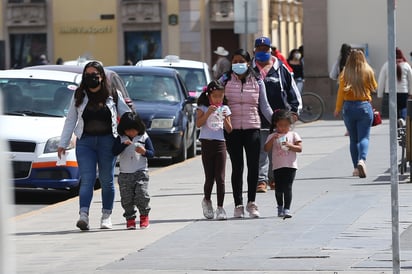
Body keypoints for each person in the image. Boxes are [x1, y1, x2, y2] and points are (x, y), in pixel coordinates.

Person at [57, 61, 132, 231]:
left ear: (101, 77)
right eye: (87, 75)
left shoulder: (113, 93)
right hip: (85, 142)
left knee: (106, 181)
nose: (91, 78)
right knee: (87, 179)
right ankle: (83, 215)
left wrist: (130, 135)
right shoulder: (79, 94)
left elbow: (126, 114)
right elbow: (71, 119)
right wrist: (63, 143)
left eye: (94, 75)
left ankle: (106, 215)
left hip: (108, 141)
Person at [218, 48, 273, 218]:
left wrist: (276, 122)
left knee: (253, 166)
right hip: (232, 130)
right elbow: (216, 100)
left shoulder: (257, 80)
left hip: (252, 128)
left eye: (241, 61)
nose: (238, 64)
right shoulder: (225, 79)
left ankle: (251, 203)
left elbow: (264, 106)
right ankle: (238, 204)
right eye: (234, 61)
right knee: (237, 167)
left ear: (248, 63)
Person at [253, 37, 301, 193]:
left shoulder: (281, 69)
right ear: (254, 50)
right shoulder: (250, 70)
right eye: (259, 48)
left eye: (265, 49)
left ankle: (274, 179)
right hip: (257, 119)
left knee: (278, 150)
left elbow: (293, 91)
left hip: (280, 120)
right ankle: (261, 180)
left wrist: (294, 111)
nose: (262, 51)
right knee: (262, 150)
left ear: (270, 50)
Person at [334, 49, 377, 178]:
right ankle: (362, 160)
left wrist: (337, 108)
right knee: (364, 137)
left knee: (353, 139)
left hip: (348, 107)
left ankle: (355, 169)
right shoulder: (368, 71)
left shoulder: (345, 73)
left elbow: (341, 92)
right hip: (364, 106)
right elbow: (374, 87)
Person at [196, 80, 232, 220]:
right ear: (209, 95)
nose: (218, 99)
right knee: (209, 177)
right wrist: (207, 114)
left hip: (220, 143)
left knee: (220, 177)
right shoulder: (203, 107)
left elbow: (229, 129)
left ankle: (221, 208)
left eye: (221, 96)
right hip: (206, 143)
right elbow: (199, 124)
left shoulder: (225, 108)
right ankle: (207, 200)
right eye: (215, 96)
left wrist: (225, 118)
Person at [112, 112, 155, 229]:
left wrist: (144, 152)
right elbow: (114, 151)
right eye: (128, 130)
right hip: (125, 173)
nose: (131, 133)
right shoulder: (120, 138)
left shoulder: (144, 137)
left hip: (141, 172)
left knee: (141, 194)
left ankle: (144, 216)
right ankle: (130, 219)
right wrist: (123, 145)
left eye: (134, 130)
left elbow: (152, 153)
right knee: (127, 198)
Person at [264, 109, 302, 218]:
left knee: (288, 187)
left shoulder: (293, 134)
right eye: (280, 125)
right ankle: (279, 206)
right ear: (276, 124)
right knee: (279, 188)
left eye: (286, 125)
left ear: (290, 124)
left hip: (290, 166)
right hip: (277, 166)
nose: (283, 128)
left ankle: (287, 209)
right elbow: (266, 149)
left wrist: (290, 146)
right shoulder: (272, 135)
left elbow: (300, 148)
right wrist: (272, 139)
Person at [377, 47, 412, 122]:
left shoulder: (386, 65)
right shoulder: (406, 65)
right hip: (403, 92)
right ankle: (402, 121)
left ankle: (395, 124)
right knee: (403, 108)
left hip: (390, 92)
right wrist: (411, 92)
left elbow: (381, 80)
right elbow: (411, 80)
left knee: (393, 111)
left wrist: (379, 94)